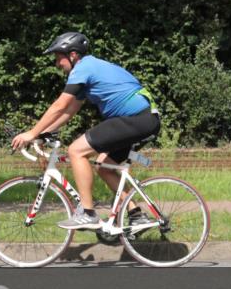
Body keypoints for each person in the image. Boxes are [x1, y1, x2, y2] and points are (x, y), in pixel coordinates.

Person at [11, 32, 161, 231]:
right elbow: (70, 110)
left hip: (136, 118)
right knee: (104, 165)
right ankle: (136, 215)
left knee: (76, 151)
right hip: (143, 119)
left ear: (73, 55)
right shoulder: (90, 68)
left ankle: (88, 214)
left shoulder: (84, 67)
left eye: (59, 58)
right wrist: (41, 134)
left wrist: (31, 132)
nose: (57, 64)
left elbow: (60, 105)